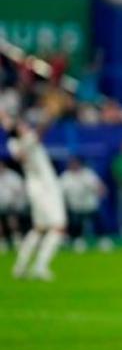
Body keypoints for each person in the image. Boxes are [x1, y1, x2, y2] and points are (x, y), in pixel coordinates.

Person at [1, 113, 66, 280]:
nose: (25, 126)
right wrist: (51, 113)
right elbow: (40, 132)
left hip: (37, 186)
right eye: (21, 126)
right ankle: (40, 266)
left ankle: (20, 267)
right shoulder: (22, 140)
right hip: (45, 187)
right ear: (18, 130)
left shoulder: (14, 142)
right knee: (59, 227)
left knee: (40, 228)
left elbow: (10, 125)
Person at [58, 156, 111, 252]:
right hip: (75, 207)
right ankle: (78, 240)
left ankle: (103, 240)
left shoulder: (88, 174)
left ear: (80, 164)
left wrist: (100, 190)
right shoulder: (65, 177)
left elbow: (100, 186)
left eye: (75, 163)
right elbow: (60, 193)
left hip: (90, 205)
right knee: (75, 222)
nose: (74, 165)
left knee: (99, 220)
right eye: (72, 163)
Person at [0, 160, 26, 253]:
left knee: (13, 222)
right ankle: (2, 243)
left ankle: (17, 241)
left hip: (12, 204)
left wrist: (16, 200)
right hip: (0, 205)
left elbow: (20, 189)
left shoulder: (12, 176)